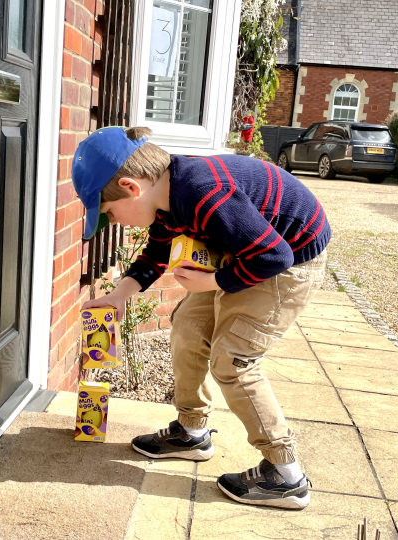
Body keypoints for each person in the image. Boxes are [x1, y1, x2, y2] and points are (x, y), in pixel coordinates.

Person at [72, 126, 330, 510]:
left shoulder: (201, 191)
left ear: (130, 187)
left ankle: (287, 476)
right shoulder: (168, 197)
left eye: (110, 212)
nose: (119, 221)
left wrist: (214, 280)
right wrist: (117, 296)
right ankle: (192, 433)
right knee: (188, 329)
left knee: (233, 359)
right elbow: (157, 253)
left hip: (287, 262)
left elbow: (275, 257)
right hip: (246, 254)